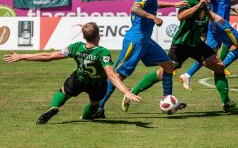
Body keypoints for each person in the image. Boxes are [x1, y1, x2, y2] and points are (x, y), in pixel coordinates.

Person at [122, 0, 238, 113]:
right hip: (181, 44)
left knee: (219, 66)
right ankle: (133, 92)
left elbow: (206, 11)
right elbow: (181, 16)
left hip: (196, 44)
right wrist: (198, 6)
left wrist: (213, 19)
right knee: (162, 73)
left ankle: (227, 103)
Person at [94, 0, 188, 118]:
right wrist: (152, 17)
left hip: (146, 41)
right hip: (136, 40)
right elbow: (135, 8)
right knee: (119, 75)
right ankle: (98, 107)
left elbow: (154, 3)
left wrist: (173, 4)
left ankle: (167, 99)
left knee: (168, 65)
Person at [3, 22, 140, 124]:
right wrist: (126, 91)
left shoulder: (76, 47)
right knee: (94, 105)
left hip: (79, 79)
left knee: (63, 93)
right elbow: (111, 75)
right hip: (97, 84)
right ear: (98, 35)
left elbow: (48, 56)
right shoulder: (102, 52)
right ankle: (85, 117)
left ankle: (54, 107)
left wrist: (22, 56)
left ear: (84, 36)